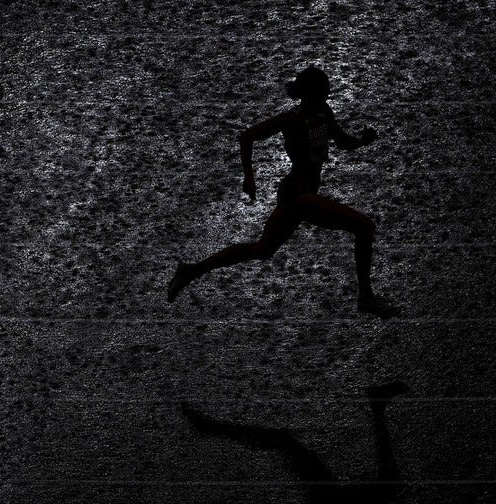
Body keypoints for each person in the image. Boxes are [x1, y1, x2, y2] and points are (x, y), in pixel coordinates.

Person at [167, 66, 396, 317]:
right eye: (324, 89)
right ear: (311, 93)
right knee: (364, 226)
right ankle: (366, 298)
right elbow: (247, 137)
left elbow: (343, 142)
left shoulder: (324, 114)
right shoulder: (292, 120)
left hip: (298, 198)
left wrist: (363, 141)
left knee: (261, 250)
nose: (329, 93)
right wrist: (250, 179)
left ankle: (191, 271)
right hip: (299, 197)